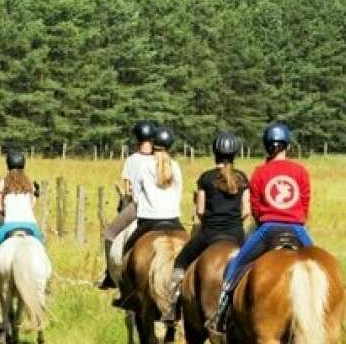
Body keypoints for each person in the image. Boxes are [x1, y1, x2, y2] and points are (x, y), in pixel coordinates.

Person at [208, 123, 313, 333]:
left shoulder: (260, 172)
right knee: (315, 268)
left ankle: (220, 314)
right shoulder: (301, 171)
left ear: (266, 146)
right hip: (297, 230)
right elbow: (305, 202)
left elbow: (256, 208)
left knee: (234, 266)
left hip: (267, 230)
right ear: (287, 146)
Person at [161, 131, 249, 320]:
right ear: (235, 153)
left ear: (214, 152)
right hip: (237, 234)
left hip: (210, 234)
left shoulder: (206, 178)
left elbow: (200, 211)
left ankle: (172, 307)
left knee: (180, 262)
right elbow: (246, 211)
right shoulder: (241, 178)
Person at [113, 125, 185, 308]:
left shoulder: (144, 166)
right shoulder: (176, 167)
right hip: (174, 221)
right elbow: (179, 195)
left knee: (126, 257)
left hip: (148, 222)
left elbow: (136, 197)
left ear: (153, 145)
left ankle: (126, 296)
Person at [97, 120, 157, 289]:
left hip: (138, 207)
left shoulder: (131, 160)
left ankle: (109, 274)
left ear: (138, 139)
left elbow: (129, 190)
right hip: (161, 209)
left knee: (108, 234)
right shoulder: (160, 159)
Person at [0, 151, 43, 295]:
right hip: (31, 226)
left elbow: (0, 208)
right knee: (42, 249)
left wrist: (2, 211)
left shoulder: (3, 183)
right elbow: (32, 205)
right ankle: (45, 283)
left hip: (10, 225)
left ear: (8, 164)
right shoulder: (30, 183)